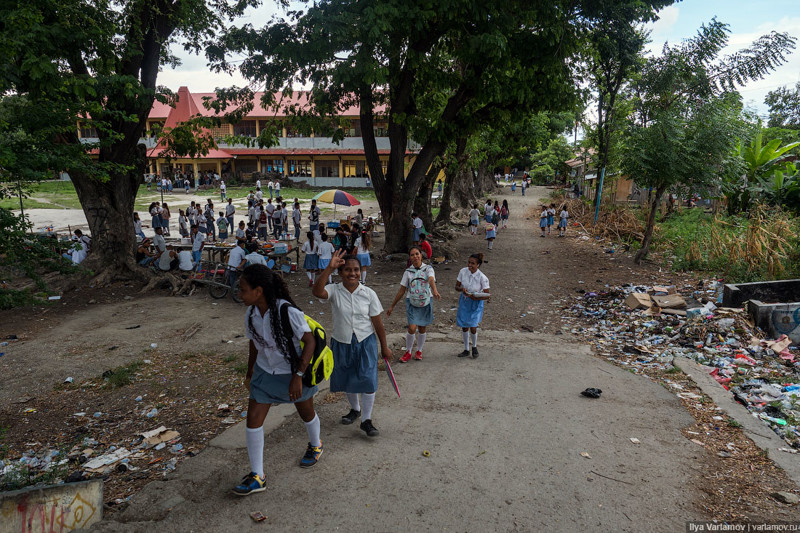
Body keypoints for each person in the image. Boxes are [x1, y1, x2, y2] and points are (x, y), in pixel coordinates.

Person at [232, 265, 323, 496]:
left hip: (293, 373)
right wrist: (250, 372)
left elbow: (310, 342)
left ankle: (315, 444)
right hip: (265, 372)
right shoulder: (251, 314)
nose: (240, 294)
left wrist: (298, 376)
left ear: (258, 291)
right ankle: (257, 476)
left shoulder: (287, 311)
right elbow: (254, 343)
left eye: (243, 290)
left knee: (306, 412)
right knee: (253, 419)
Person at [312, 250, 392, 437]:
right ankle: (355, 409)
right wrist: (328, 268)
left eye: (356, 269)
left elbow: (377, 323)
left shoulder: (369, 294)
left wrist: (385, 346)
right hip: (342, 341)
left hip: (366, 341)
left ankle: (366, 420)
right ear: (340, 273)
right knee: (347, 378)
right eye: (347, 270)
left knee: (367, 379)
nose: (352, 273)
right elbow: (317, 292)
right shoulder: (334, 291)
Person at [386, 247, 441, 362]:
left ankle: (419, 350)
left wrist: (434, 290)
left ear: (421, 255)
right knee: (411, 328)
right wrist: (392, 306)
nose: (415, 257)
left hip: (425, 301)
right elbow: (402, 290)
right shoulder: (408, 272)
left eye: (417, 254)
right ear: (410, 258)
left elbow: (431, 279)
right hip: (412, 302)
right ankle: (408, 351)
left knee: (422, 327)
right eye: (412, 255)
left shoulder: (428, 269)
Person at [455, 253, 490, 358]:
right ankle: (466, 349)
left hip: (476, 303)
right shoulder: (463, 271)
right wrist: (462, 289)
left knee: (473, 326)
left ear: (478, 265)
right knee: (464, 326)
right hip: (465, 301)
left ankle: (474, 346)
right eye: (469, 262)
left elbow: (487, 295)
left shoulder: (482, 277)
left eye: (473, 263)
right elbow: (457, 286)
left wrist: (476, 297)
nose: (470, 265)